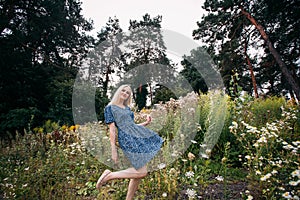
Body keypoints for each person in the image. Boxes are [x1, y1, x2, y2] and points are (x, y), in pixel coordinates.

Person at [96, 84, 163, 200]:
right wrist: (113, 149)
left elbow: (131, 126)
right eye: (123, 91)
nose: (125, 94)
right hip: (128, 140)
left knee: (137, 172)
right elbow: (112, 129)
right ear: (118, 91)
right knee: (142, 172)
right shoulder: (110, 108)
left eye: (128, 93)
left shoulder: (127, 109)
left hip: (136, 136)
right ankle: (109, 176)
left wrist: (145, 123)